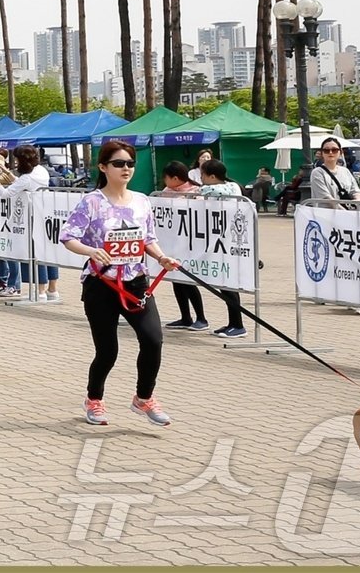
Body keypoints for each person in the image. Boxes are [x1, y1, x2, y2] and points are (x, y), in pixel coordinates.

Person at [60, 139, 181, 427]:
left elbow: (147, 238)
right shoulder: (91, 202)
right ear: (103, 167)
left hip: (136, 282)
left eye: (129, 163)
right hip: (101, 285)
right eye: (118, 163)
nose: (126, 168)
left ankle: (144, 398)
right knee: (107, 350)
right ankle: (94, 400)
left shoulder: (141, 200)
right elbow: (69, 237)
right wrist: (91, 251)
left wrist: (162, 258)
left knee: (153, 340)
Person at [0, 147, 51, 298]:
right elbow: (22, 183)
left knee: (34, 253)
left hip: (30, 217)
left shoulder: (28, 177)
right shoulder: (40, 170)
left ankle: (39, 292)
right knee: (40, 252)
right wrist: (7, 173)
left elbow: (6, 193)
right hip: (39, 214)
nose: (14, 162)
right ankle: (44, 290)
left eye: (16, 159)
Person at [198, 159, 248, 339]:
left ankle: (238, 324)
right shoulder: (233, 186)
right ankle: (233, 322)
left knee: (228, 285)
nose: (201, 178)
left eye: (203, 174)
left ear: (212, 176)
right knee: (224, 284)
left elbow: (203, 192)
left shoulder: (216, 189)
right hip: (225, 241)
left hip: (226, 241)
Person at [157, 161, 207, 332]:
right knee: (177, 281)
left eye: (166, 178)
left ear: (175, 178)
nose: (164, 182)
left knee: (188, 280)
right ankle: (185, 316)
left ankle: (201, 318)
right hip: (173, 243)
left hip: (191, 244)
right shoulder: (165, 192)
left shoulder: (195, 192)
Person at [310, 137, 360, 204]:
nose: (330, 153)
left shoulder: (345, 171)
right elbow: (326, 197)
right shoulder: (317, 172)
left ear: (340, 152)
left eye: (334, 150)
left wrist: (356, 203)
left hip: (348, 212)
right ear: (322, 153)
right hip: (325, 212)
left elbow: (356, 191)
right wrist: (344, 211)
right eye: (326, 150)